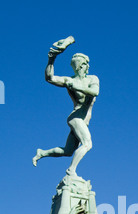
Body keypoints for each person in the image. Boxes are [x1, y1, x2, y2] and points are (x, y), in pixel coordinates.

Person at [33, 37, 100, 176]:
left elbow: (95, 92)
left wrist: (76, 86)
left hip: (83, 121)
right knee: (87, 144)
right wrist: (51, 59)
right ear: (82, 65)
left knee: (68, 151)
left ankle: (42, 153)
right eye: (86, 64)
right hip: (75, 118)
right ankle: (71, 170)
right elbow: (49, 78)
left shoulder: (92, 79)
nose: (88, 67)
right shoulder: (69, 80)